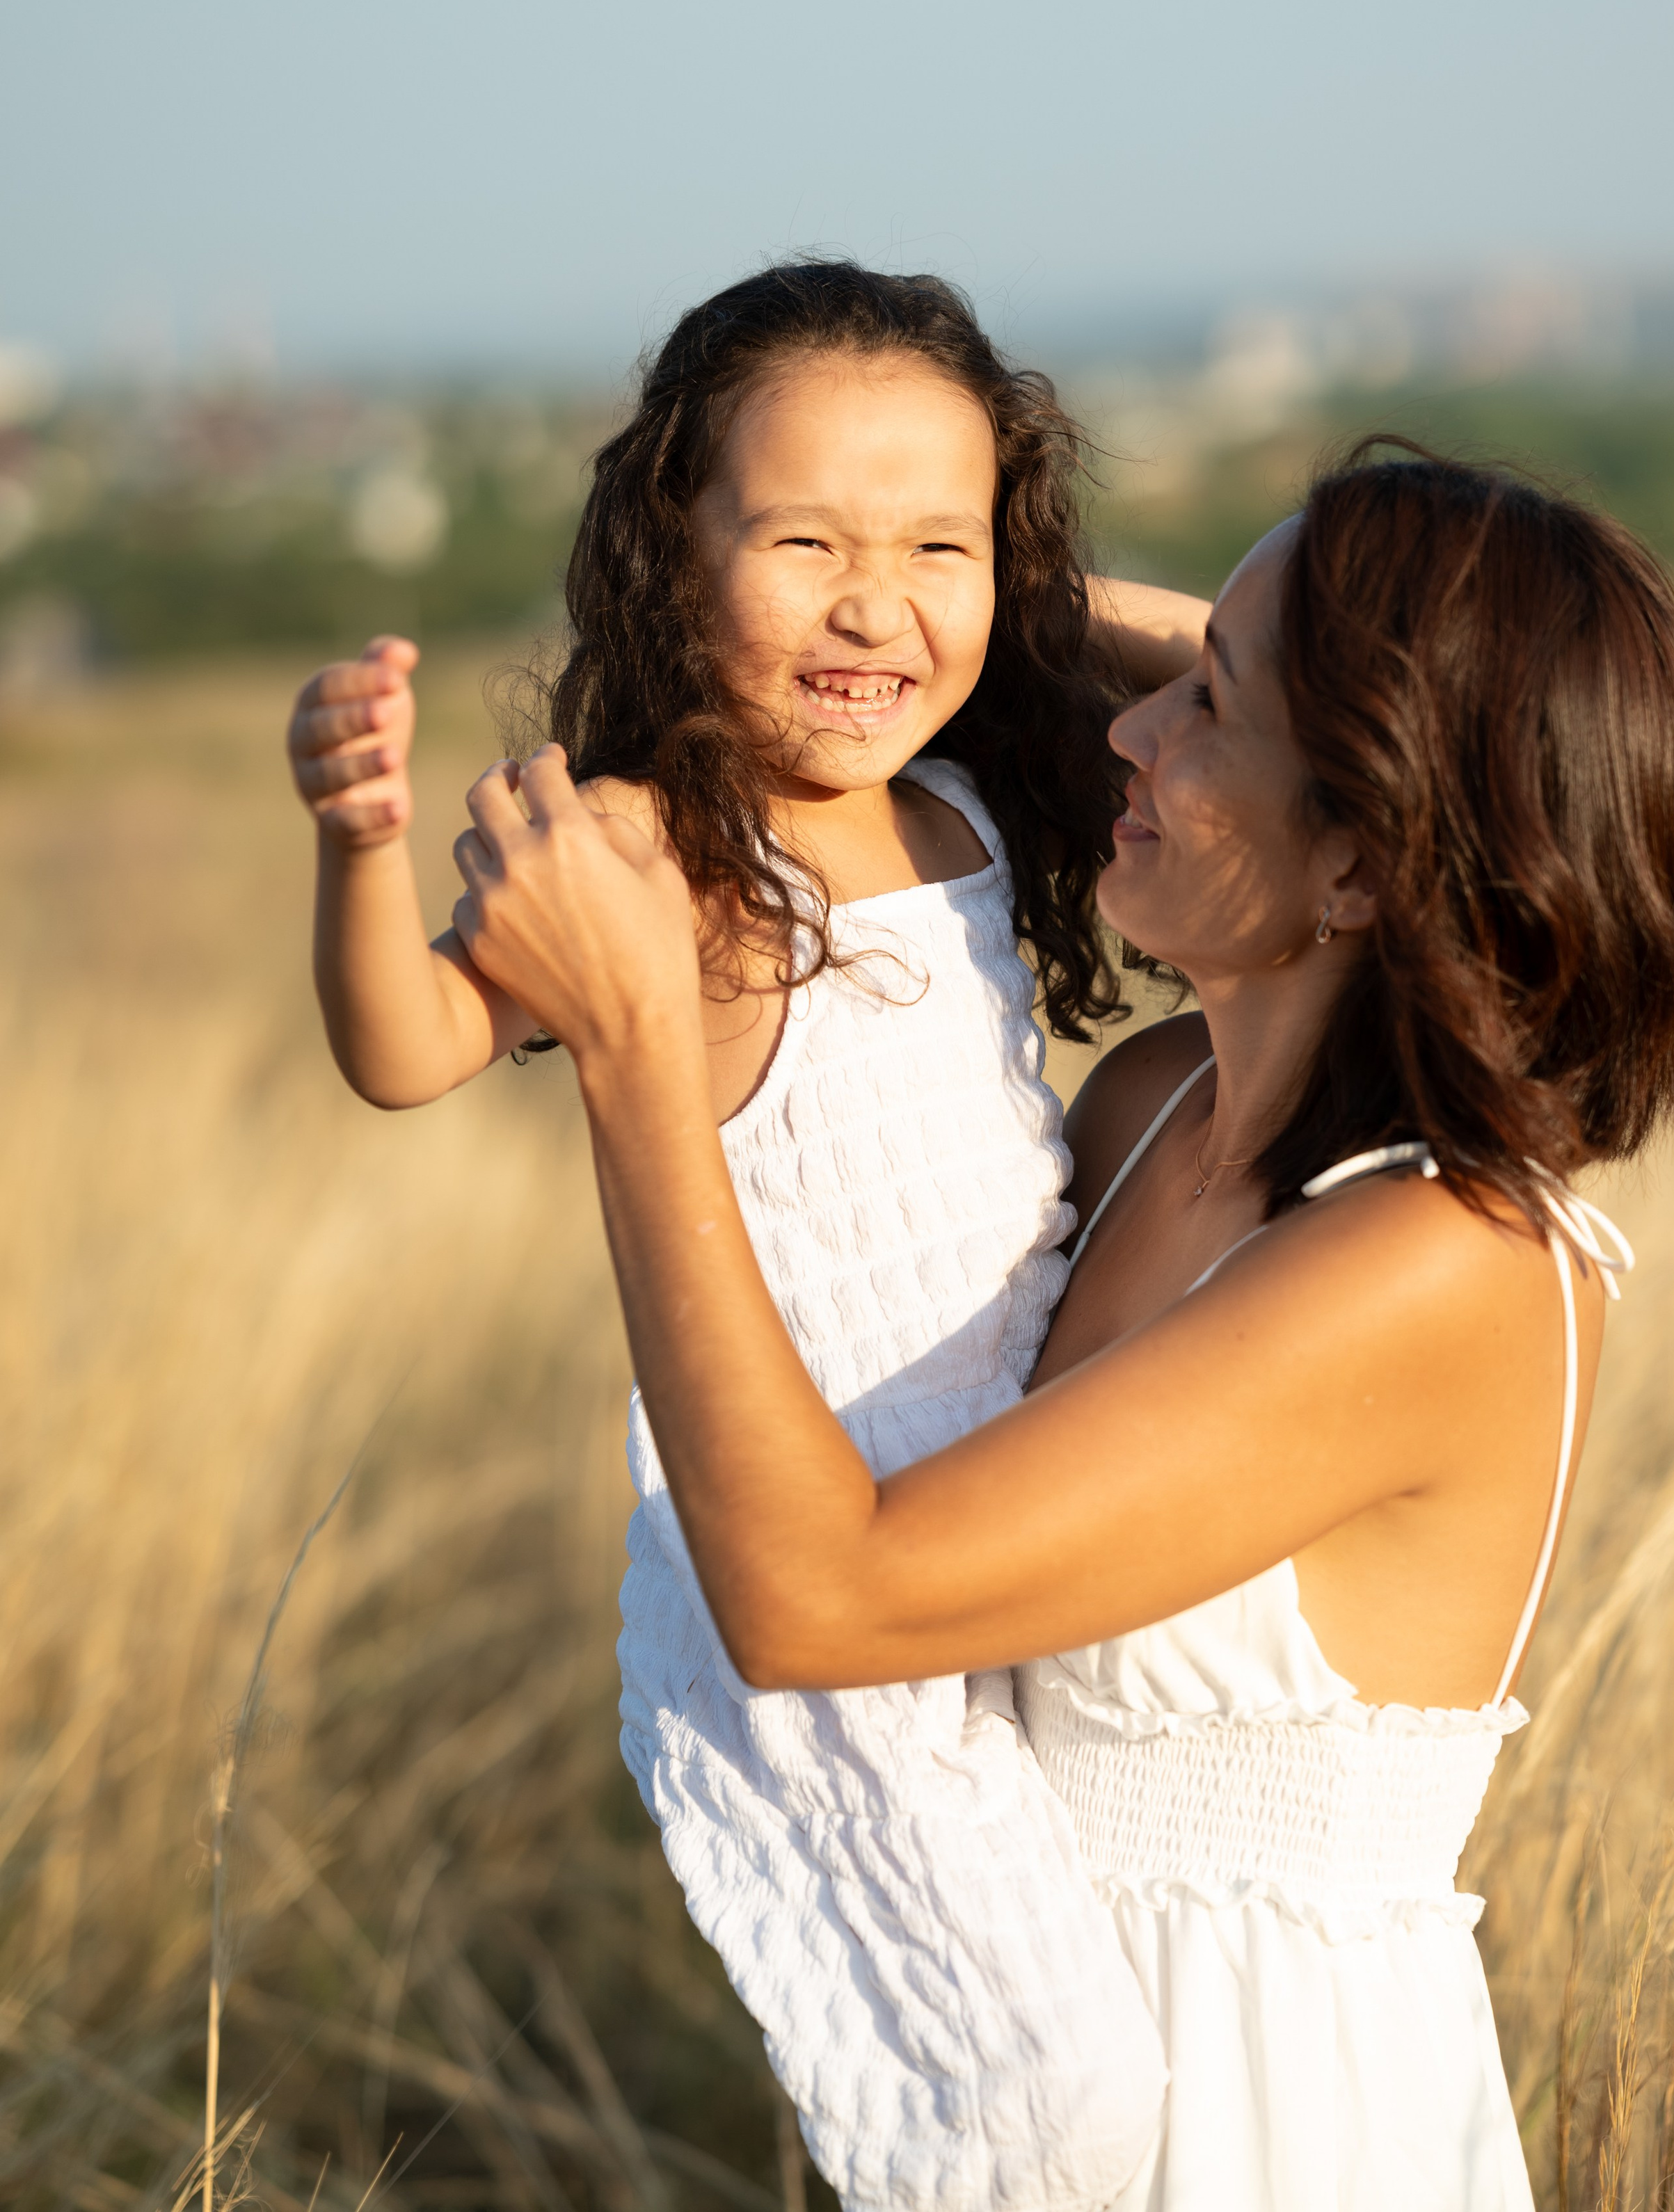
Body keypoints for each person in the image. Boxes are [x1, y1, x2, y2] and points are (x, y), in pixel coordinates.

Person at [446, 446, 1674, 2211]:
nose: (1131, 732)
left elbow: (824, 1598)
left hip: (1276, 2132)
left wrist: (636, 1059)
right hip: (1021, 2075)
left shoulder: (1443, 1255)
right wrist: (954, 610)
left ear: (1364, 857)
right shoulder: (1152, 1106)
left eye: (1206, 706)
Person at [285, 263, 1215, 2211]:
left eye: (938, 543)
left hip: (1001, 1538)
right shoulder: (656, 851)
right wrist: (359, 846)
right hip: (812, 1562)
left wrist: (1022, 605)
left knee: (1110, 2067)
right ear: (666, 551)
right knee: (1044, 2113)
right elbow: (409, 1048)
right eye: (804, 540)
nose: (875, 604)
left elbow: (1260, 670)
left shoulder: (970, 793)